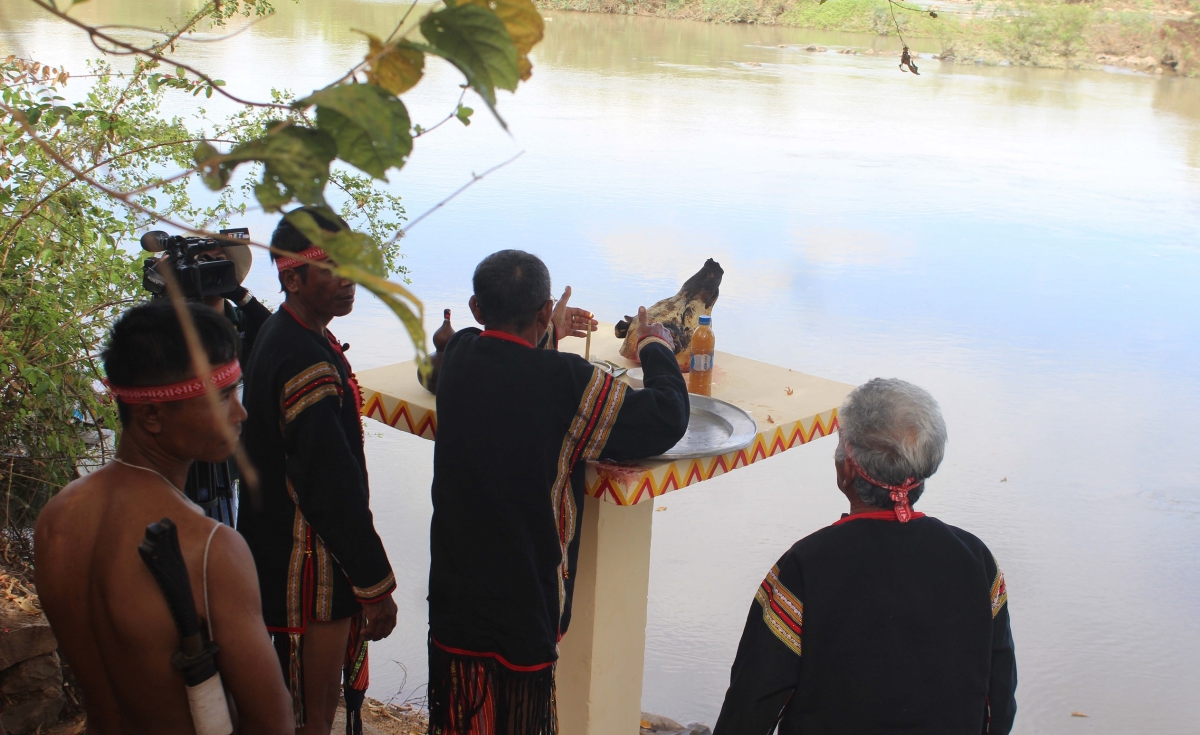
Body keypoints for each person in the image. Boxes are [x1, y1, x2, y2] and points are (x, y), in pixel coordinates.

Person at [427, 249, 691, 735]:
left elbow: (503, 361)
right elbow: (667, 416)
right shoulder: (567, 384)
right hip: (525, 597)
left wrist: (549, 330)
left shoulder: (460, 354)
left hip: (455, 591)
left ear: (475, 308)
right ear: (545, 310)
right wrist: (655, 345)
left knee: (461, 718)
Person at [34, 302, 293, 734]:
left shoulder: (57, 517)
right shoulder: (208, 547)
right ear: (151, 414)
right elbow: (273, 720)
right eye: (223, 397)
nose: (240, 414)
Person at [712, 378, 1018, 735]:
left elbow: (752, 705)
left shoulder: (806, 567)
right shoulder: (977, 561)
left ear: (847, 470)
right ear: (920, 474)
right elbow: (1000, 703)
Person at [237, 212, 397, 735]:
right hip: (304, 560)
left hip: (273, 542)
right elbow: (331, 487)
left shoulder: (284, 333)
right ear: (292, 278)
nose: (348, 278)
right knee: (311, 705)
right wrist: (375, 585)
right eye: (329, 267)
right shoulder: (302, 356)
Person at [182, 228, 272, 525]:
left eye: (220, 261)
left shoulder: (241, 317)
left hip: (233, 449)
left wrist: (238, 293)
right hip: (191, 449)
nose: (212, 268)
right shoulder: (178, 322)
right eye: (203, 261)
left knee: (228, 517)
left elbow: (275, 334)